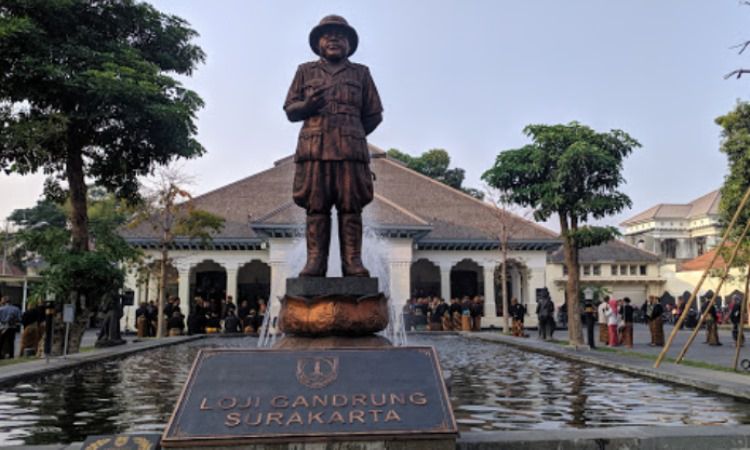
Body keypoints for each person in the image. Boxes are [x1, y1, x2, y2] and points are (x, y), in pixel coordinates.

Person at [284, 15, 383, 278]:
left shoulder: (361, 73)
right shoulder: (305, 71)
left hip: (350, 151)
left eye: (341, 36)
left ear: (349, 44)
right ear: (318, 43)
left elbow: (374, 114)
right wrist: (307, 107)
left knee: (351, 206)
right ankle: (315, 261)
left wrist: (353, 131)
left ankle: (353, 261)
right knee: (316, 206)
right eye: (328, 35)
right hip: (315, 150)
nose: (334, 40)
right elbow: (290, 110)